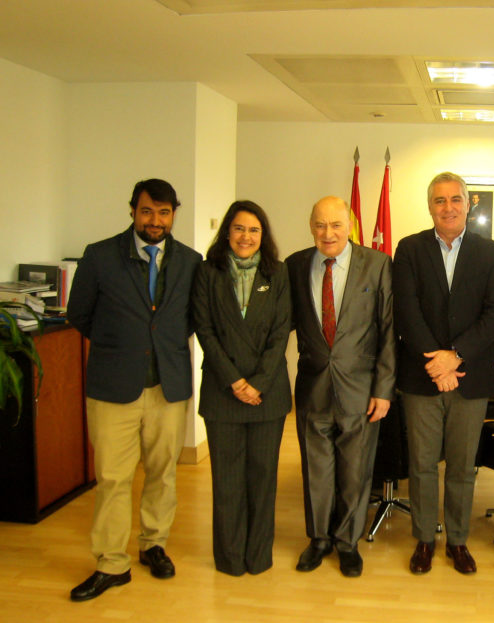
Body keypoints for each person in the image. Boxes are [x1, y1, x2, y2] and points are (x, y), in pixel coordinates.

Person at [66, 178, 201, 601]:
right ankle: (111, 563)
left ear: (174, 214)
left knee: (162, 472)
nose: (155, 221)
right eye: (147, 212)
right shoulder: (100, 256)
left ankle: (153, 544)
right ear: (132, 211)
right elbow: (79, 315)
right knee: (112, 478)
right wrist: (121, 345)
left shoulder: (191, 261)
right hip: (113, 388)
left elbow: (192, 318)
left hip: (168, 385)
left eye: (163, 213)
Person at [393, 172, 494, 575]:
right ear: (430, 206)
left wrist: (455, 357)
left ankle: (457, 541)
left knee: (462, 466)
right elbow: (407, 310)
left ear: (468, 205)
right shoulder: (408, 249)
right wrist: (436, 361)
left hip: (470, 377)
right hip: (422, 377)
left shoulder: (491, 253)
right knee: (422, 464)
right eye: (439, 200)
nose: (448, 207)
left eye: (455, 199)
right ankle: (425, 538)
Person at [285, 196, 395, 578]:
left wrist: (384, 389)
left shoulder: (377, 264)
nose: (327, 233)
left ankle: (347, 543)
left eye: (335, 225)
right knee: (315, 469)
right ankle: (318, 539)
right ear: (310, 226)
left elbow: (388, 331)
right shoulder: (295, 266)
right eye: (319, 225)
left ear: (348, 225)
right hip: (312, 387)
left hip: (361, 391)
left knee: (355, 470)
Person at [191, 200, 292, 576]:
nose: (246, 236)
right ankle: (230, 558)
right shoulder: (207, 272)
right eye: (238, 228)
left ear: (263, 236)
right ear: (226, 232)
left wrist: (258, 383)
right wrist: (236, 381)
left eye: (254, 230)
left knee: (263, 479)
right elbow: (205, 330)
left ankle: (258, 557)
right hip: (223, 392)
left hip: (268, 396)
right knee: (228, 481)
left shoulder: (278, 274)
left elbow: (281, 332)